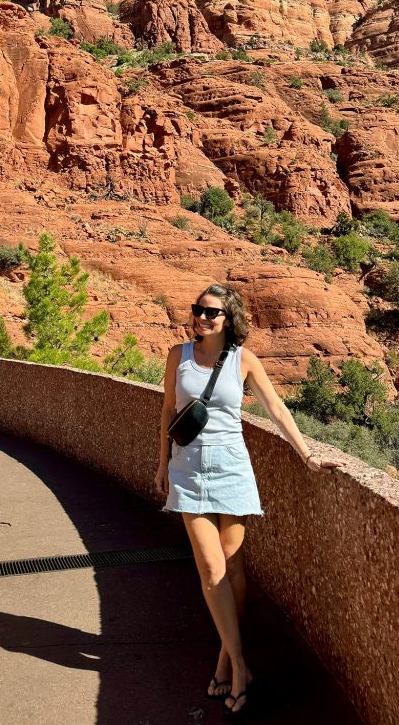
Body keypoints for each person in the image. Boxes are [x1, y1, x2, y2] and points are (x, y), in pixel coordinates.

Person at [154, 283, 344, 720]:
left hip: (233, 469)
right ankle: (241, 666)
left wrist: (308, 454)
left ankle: (223, 656)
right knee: (211, 568)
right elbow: (167, 411)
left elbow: (276, 409)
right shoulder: (176, 356)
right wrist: (162, 464)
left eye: (212, 313)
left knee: (232, 566)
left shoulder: (244, 361)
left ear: (228, 318)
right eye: (198, 310)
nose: (202, 318)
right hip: (187, 470)